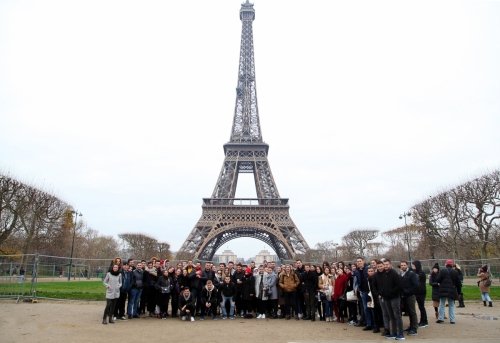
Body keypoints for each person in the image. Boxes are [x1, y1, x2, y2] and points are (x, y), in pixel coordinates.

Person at [375, 258, 404, 340]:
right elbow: (382, 286)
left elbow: (399, 286)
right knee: (391, 316)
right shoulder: (384, 274)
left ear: (390, 264)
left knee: (397, 315)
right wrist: (382, 293)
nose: (386, 266)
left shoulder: (394, 273)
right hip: (386, 298)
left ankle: (400, 333)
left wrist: (391, 292)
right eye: (384, 265)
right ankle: (393, 333)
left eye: (387, 264)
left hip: (394, 297)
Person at [436, 259, 460, 324]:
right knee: (451, 305)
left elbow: (438, 280)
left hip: (443, 289)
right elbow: (458, 283)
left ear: (446, 264)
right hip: (452, 290)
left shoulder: (442, 271)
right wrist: (459, 291)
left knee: (441, 304)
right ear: (452, 265)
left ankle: (441, 318)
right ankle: (452, 320)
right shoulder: (455, 272)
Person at [400, 260, 418, 336]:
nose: (403, 266)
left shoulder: (411, 274)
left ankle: (414, 328)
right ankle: (411, 326)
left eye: (404, 265)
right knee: (408, 312)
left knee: (412, 312)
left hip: (410, 296)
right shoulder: (401, 274)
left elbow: (415, 285)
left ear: (407, 265)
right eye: (402, 265)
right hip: (404, 296)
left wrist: (408, 291)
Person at [412, 260, 428, 328]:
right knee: (420, 307)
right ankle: (422, 321)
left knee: (421, 307)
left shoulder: (421, 273)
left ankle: (424, 321)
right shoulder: (415, 272)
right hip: (417, 292)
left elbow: (416, 278)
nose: (412, 267)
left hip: (421, 292)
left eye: (413, 265)